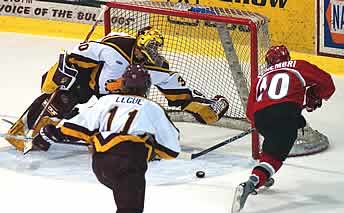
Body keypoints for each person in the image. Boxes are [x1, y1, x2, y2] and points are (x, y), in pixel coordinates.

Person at [6, 26, 229, 152]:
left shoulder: (156, 67)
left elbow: (180, 94)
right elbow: (76, 54)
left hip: (117, 99)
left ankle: (85, 134)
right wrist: (59, 75)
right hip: (88, 82)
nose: (154, 51)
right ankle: (24, 133)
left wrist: (207, 108)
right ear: (140, 44)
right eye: (151, 47)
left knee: (112, 129)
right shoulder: (116, 47)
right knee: (60, 100)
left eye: (157, 47)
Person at [31, 64, 182, 213]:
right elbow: (172, 148)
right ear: (146, 86)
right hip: (128, 164)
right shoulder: (152, 107)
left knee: (125, 199)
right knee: (130, 208)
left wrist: (49, 134)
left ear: (123, 83)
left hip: (101, 165)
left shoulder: (106, 101)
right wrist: (152, 149)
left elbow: (75, 126)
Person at [231, 45, 336, 212]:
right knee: (275, 157)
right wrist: (314, 95)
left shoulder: (260, 77)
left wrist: (269, 120)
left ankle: (263, 175)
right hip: (284, 115)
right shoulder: (298, 66)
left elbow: (250, 113)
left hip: (261, 118)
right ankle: (252, 182)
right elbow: (327, 83)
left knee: (273, 144)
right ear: (288, 57)